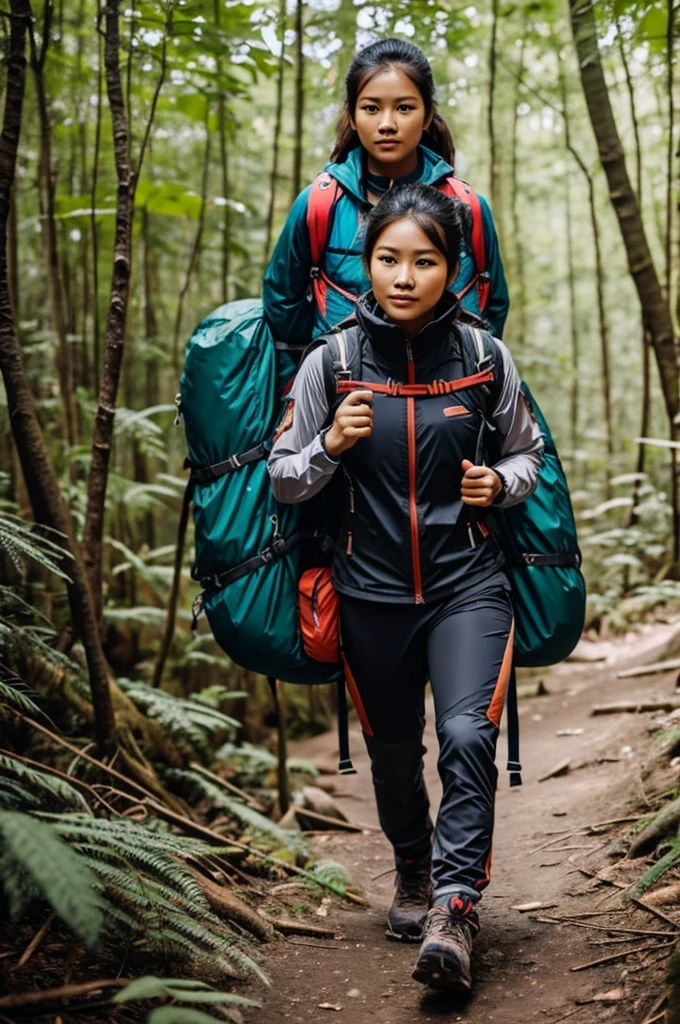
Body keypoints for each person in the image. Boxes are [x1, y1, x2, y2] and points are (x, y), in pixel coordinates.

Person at [267, 184, 543, 994]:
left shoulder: (487, 358)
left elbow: (530, 454)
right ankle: (414, 867)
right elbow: (283, 479)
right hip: (369, 593)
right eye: (389, 258)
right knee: (395, 757)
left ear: (452, 270)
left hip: (469, 586)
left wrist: (502, 482)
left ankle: (456, 909)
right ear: (366, 266)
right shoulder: (334, 362)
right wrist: (326, 444)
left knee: (466, 735)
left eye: (425, 260)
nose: (405, 275)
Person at [263, 37, 509, 349]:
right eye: (371, 108)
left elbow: (494, 304)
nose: (387, 124)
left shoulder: (468, 207)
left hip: (451, 389)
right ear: (352, 116)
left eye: (404, 108)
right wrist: (319, 370)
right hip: (344, 387)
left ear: (427, 115)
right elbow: (283, 305)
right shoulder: (319, 204)